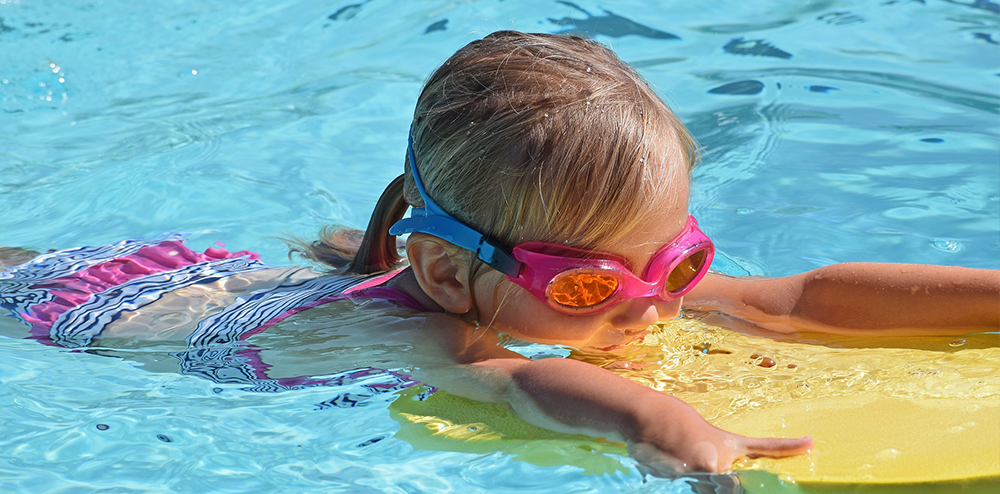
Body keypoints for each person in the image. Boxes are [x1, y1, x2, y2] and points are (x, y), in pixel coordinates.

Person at [1, 31, 997, 474]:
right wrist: (671, 428)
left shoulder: (618, 287)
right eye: (587, 283)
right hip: (97, 313)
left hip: (214, 275)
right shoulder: (438, 337)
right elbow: (523, 390)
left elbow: (797, 299)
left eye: (678, 263)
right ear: (447, 275)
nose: (652, 307)